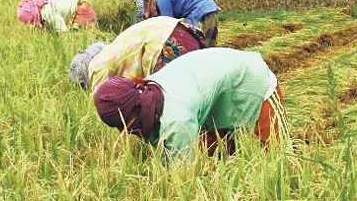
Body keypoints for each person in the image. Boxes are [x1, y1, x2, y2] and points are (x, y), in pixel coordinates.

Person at [93, 48, 286, 159]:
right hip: (216, 84)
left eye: (124, 124)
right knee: (218, 154)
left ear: (134, 110)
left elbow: (183, 182)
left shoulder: (177, 120)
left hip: (251, 80)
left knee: (276, 157)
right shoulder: (147, 94)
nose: (123, 133)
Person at [69, 16, 207, 92]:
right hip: (181, 31)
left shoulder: (96, 67)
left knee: (176, 98)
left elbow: (104, 102)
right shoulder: (112, 49)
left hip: (165, 45)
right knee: (200, 87)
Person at [127, 0, 220, 47]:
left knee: (197, 45)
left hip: (202, 13)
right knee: (203, 47)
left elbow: (168, 24)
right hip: (204, 10)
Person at [17, 0, 99, 32]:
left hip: (82, 11)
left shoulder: (49, 14)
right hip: (81, 6)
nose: (32, 25)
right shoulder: (46, 8)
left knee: (78, 36)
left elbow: (63, 31)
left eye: (31, 22)